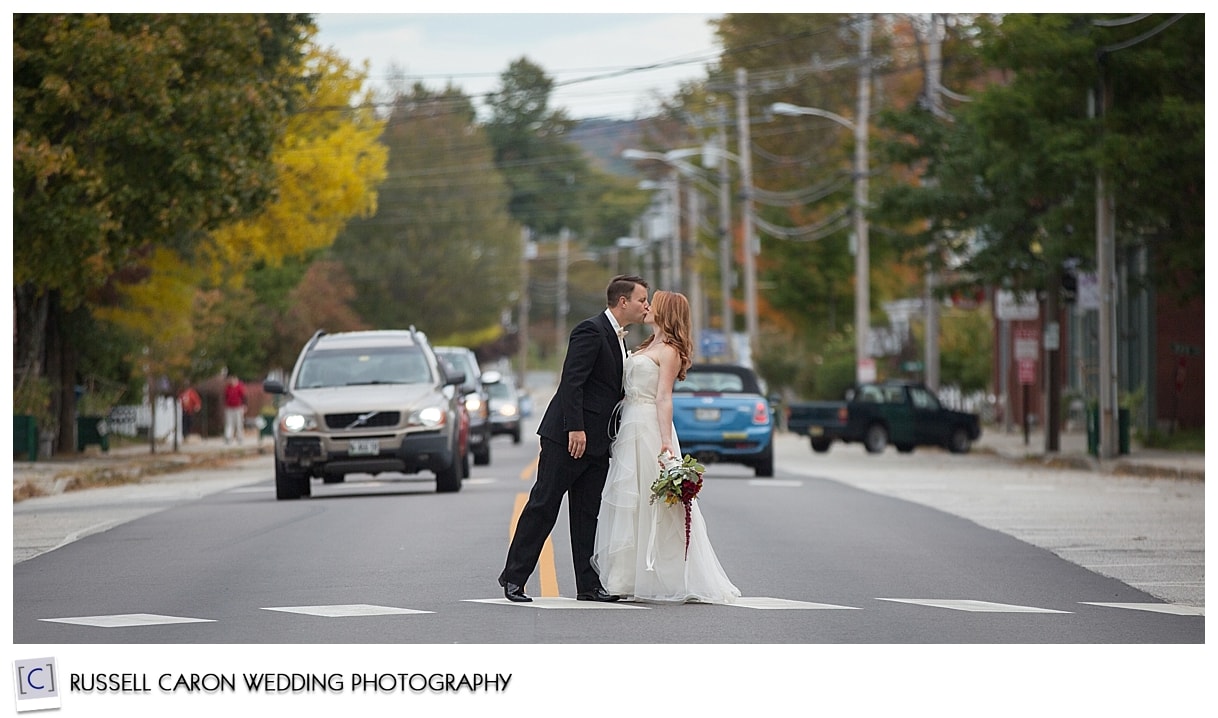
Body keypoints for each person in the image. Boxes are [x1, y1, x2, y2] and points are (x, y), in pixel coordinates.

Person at [498, 275, 651, 603]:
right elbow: (572, 382)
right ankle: (514, 579)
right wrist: (575, 429)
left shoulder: (620, 338)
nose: (646, 306)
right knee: (544, 505)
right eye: (642, 300)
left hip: (598, 443)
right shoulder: (590, 330)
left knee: (587, 514)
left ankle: (588, 585)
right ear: (623, 301)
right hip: (568, 437)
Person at [592, 290, 740, 604]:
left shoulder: (670, 350)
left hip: (648, 426)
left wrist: (664, 444)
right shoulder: (646, 344)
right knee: (629, 500)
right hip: (629, 425)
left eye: (652, 303)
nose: (646, 307)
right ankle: (623, 577)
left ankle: (675, 575)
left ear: (666, 311)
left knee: (656, 502)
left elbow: (663, 398)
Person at [222, 375, 247, 445]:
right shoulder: (228, 388)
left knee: (239, 423)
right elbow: (225, 397)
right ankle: (228, 437)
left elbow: (244, 397)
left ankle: (240, 438)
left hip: (238, 408)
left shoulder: (239, 387)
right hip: (229, 408)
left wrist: (244, 406)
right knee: (229, 424)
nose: (232, 381)